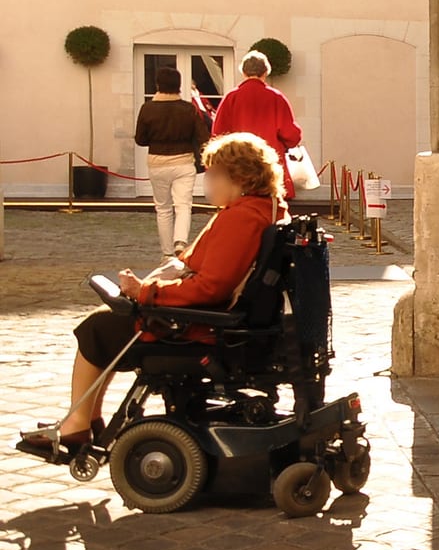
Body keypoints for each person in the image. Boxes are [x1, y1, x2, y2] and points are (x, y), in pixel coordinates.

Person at [15, 134, 286, 465]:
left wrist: (145, 292)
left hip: (205, 328)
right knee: (106, 319)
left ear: (241, 177)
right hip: (220, 319)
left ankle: (78, 425)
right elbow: (201, 267)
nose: (206, 180)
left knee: (98, 327)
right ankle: (85, 420)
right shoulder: (259, 210)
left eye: (213, 173)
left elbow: (210, 288)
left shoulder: (240, 218)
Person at [132, 75, 211, 259]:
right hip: (183, 162)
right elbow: (202, 136)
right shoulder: (188, 109)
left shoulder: (147, 109)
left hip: (157, 162)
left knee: (163, 208)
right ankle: (180, 241)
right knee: (183, 205)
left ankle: (167, 253)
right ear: (178, 86)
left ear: (158, 85)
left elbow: (140, 139)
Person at [209, 50, 306, 192]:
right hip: (269, 164)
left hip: (238, 164)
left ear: (243, 72)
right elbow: (291, 135)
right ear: (266, 72)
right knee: (272, 208)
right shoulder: (276, 97)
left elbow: (218, 134)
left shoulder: (232, 97)